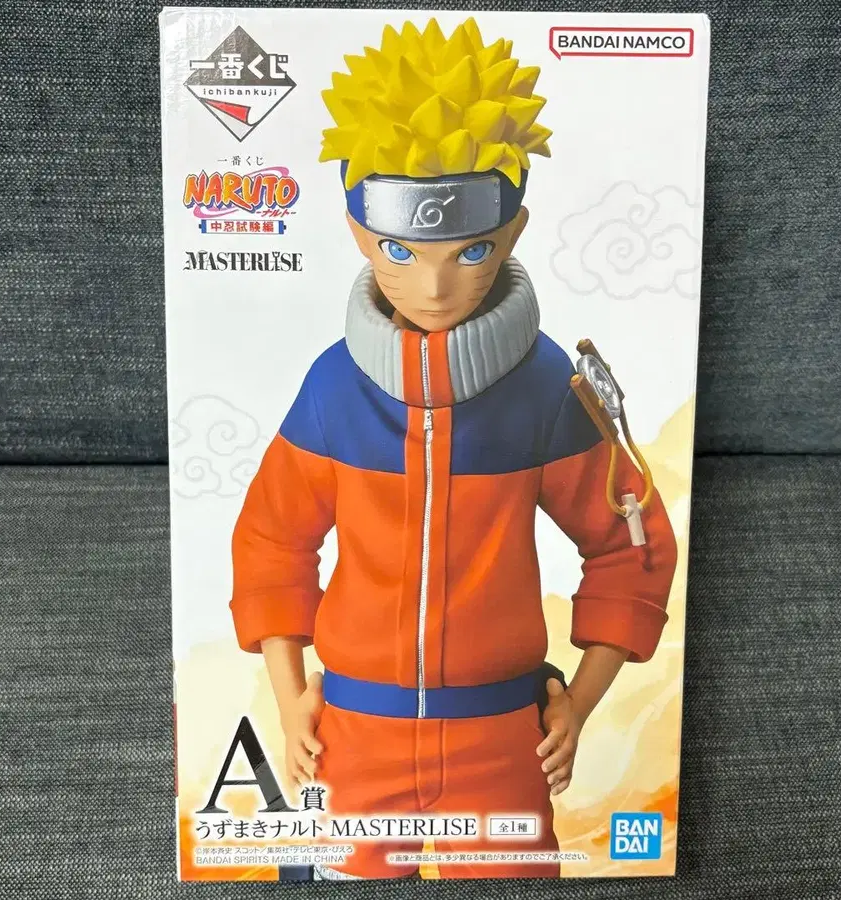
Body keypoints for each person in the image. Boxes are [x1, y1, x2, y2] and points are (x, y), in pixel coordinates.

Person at [230, 17, 677, 880]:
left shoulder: (549, 389)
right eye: (399, 250)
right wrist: (291, 703)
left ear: (514, 233)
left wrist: (580, 704)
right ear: (357, 233)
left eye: (472, 250)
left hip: (504, 739)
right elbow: (270, 543)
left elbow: (632, 546)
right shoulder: (334, 388)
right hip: (351, 737)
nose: (434, 286)